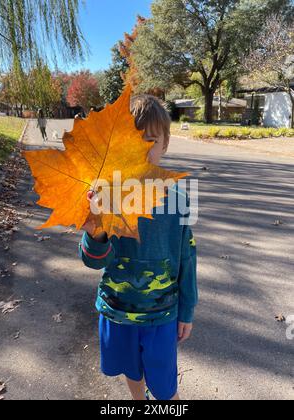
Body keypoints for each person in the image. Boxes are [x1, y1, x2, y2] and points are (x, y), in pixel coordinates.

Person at [78, 95, 198, 401]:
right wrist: (97, 233)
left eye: (151, 140)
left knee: (164, 381)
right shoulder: (107, 197)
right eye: (133, 140)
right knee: (132, 370)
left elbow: (187, 258)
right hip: (118, 310)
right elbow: (94, 261)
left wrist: (187, 309)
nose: (143, 148)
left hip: (162, 314)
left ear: (165, 144)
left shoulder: (179, 200)